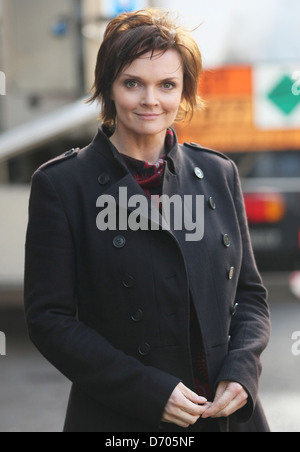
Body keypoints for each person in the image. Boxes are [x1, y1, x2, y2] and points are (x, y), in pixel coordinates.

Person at [24, 9, 271, 433]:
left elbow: (249, 295)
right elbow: (50, 320)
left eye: (167, 85)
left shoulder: (217, 173)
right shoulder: (62, 185)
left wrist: (242, 369)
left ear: (185, 91)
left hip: (225, 416)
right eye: (133, 83)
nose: (150, 100)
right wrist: (149, 392)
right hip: (122, 417)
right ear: (108, 87)